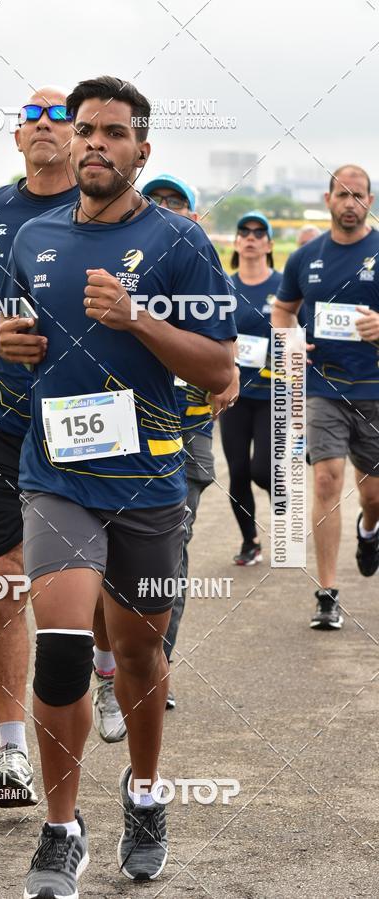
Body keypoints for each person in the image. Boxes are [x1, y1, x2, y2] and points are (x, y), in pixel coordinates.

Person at [0, 75, 236, 898]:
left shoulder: (181, 243)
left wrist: (138, 320)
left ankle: (143, 794)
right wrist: (9, 346)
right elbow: (15, 340)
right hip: (55, 474)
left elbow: (218, 366)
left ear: (142, 150)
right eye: (84, 129)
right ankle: (61, 829)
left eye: (112, 132)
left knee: (137, 650)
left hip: (150, 481)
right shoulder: (34, 240)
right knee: (62, 655)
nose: (94, 142)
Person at [0, 88, 124, 810]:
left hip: (82, 421)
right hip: (2, 419)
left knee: (85, 588)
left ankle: (110, 669)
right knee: (6, 580)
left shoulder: (103, 209)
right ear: (17, 137)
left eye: (64, 117)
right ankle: (10, 753)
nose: (49, 126)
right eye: (35, 116)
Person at [141, 175, 239, 707]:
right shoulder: (122, 271)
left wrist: (234, 372)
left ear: (194, 218)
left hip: (187, 434)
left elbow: (228, 350)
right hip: (122, 440)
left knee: (169, 559)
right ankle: (114, 661)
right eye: (155, 202)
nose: (164, 212)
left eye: (176, 205)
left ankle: (157, 667)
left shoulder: (202, 265)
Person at [273, 164, 379, 629]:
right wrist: (290, 341)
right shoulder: (305, 257)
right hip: (324, 386)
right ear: (328, 198)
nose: (350, 202)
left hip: (375, 388)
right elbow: (283, 310)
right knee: (326, 481)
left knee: (373, 495)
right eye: (342, 194)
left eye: (359, 195)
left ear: (370, 202)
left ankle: (370, 529)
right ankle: (327, 593)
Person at [220, 212, 282, 564]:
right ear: (236, 242)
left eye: (260, 233)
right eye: (244, 231)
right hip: (236, 395)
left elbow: (301, 334)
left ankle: (284, 503)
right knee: (239, 471)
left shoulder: (284, 286)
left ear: (269, 244)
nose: (251, 237)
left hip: (274, 395)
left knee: (262, 470)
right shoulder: (224, 286)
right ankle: (250, 542)